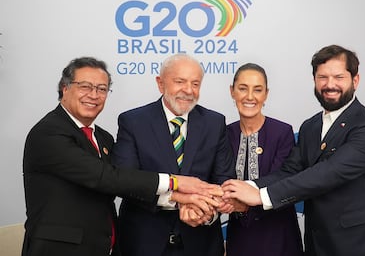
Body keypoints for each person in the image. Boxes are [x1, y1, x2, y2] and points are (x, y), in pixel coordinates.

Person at [22, 57, 222, 256]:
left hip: (102, 246)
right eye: (85, 86)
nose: (94, 95)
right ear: (65, 88)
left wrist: (188, 201)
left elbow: (121, 183)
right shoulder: (48, 133)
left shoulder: (102, 137)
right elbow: (107, 177)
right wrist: (175, 183)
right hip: (60, 249)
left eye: (102, 89)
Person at [222, 45, 365, 256]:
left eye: (338, 77)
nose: (330, 85)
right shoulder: (310, 127)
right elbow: (290, 171)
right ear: (314, 80)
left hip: (359, 247)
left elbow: (328, 173)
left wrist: (261, 196)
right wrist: (244, 187)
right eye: (323, 77)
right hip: (317, 245)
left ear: (355, 80)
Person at [112, 53, 235, 256]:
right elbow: (125, 181)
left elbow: (224, 181)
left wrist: (206, 212)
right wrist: (177, 199)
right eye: (180, 82)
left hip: (201, 243)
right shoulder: (133, 122)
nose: (188, 90)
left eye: (195, 84)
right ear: (160, 84)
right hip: (143, 244)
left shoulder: (214, 123)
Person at [225, 63, 303, 256]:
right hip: (240, 236)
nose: (250, 97)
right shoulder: (224, 134)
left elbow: (284, 179)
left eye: (257, 90)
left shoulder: (282, 132)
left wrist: (246, 192)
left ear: (266, 94)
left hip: (278, 235)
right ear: (232, 92)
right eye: (243, 88)